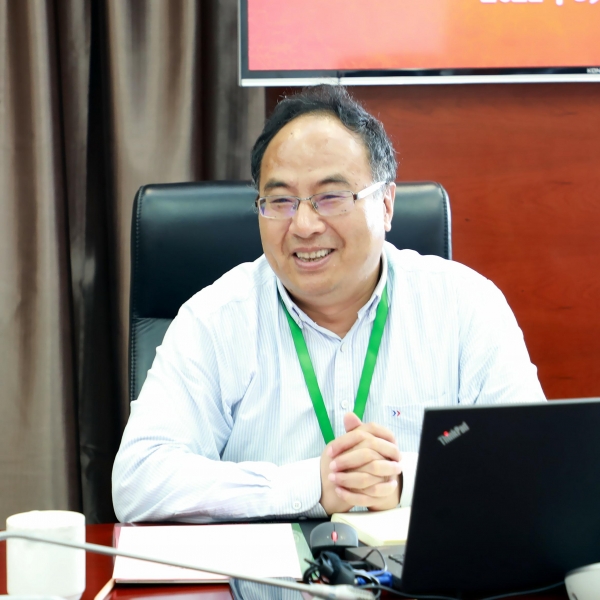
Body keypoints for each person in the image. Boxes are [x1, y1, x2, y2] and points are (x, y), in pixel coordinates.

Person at [112, 85, 545, 523]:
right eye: (280, 201)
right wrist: (313, 486)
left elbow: (533, 465)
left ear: (386, 204)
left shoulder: (464, 306)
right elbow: (138, 482)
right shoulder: (215, 319)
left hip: (422, 566)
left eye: (331, 197)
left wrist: (403, 480)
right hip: (270, 568)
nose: (303, 225)